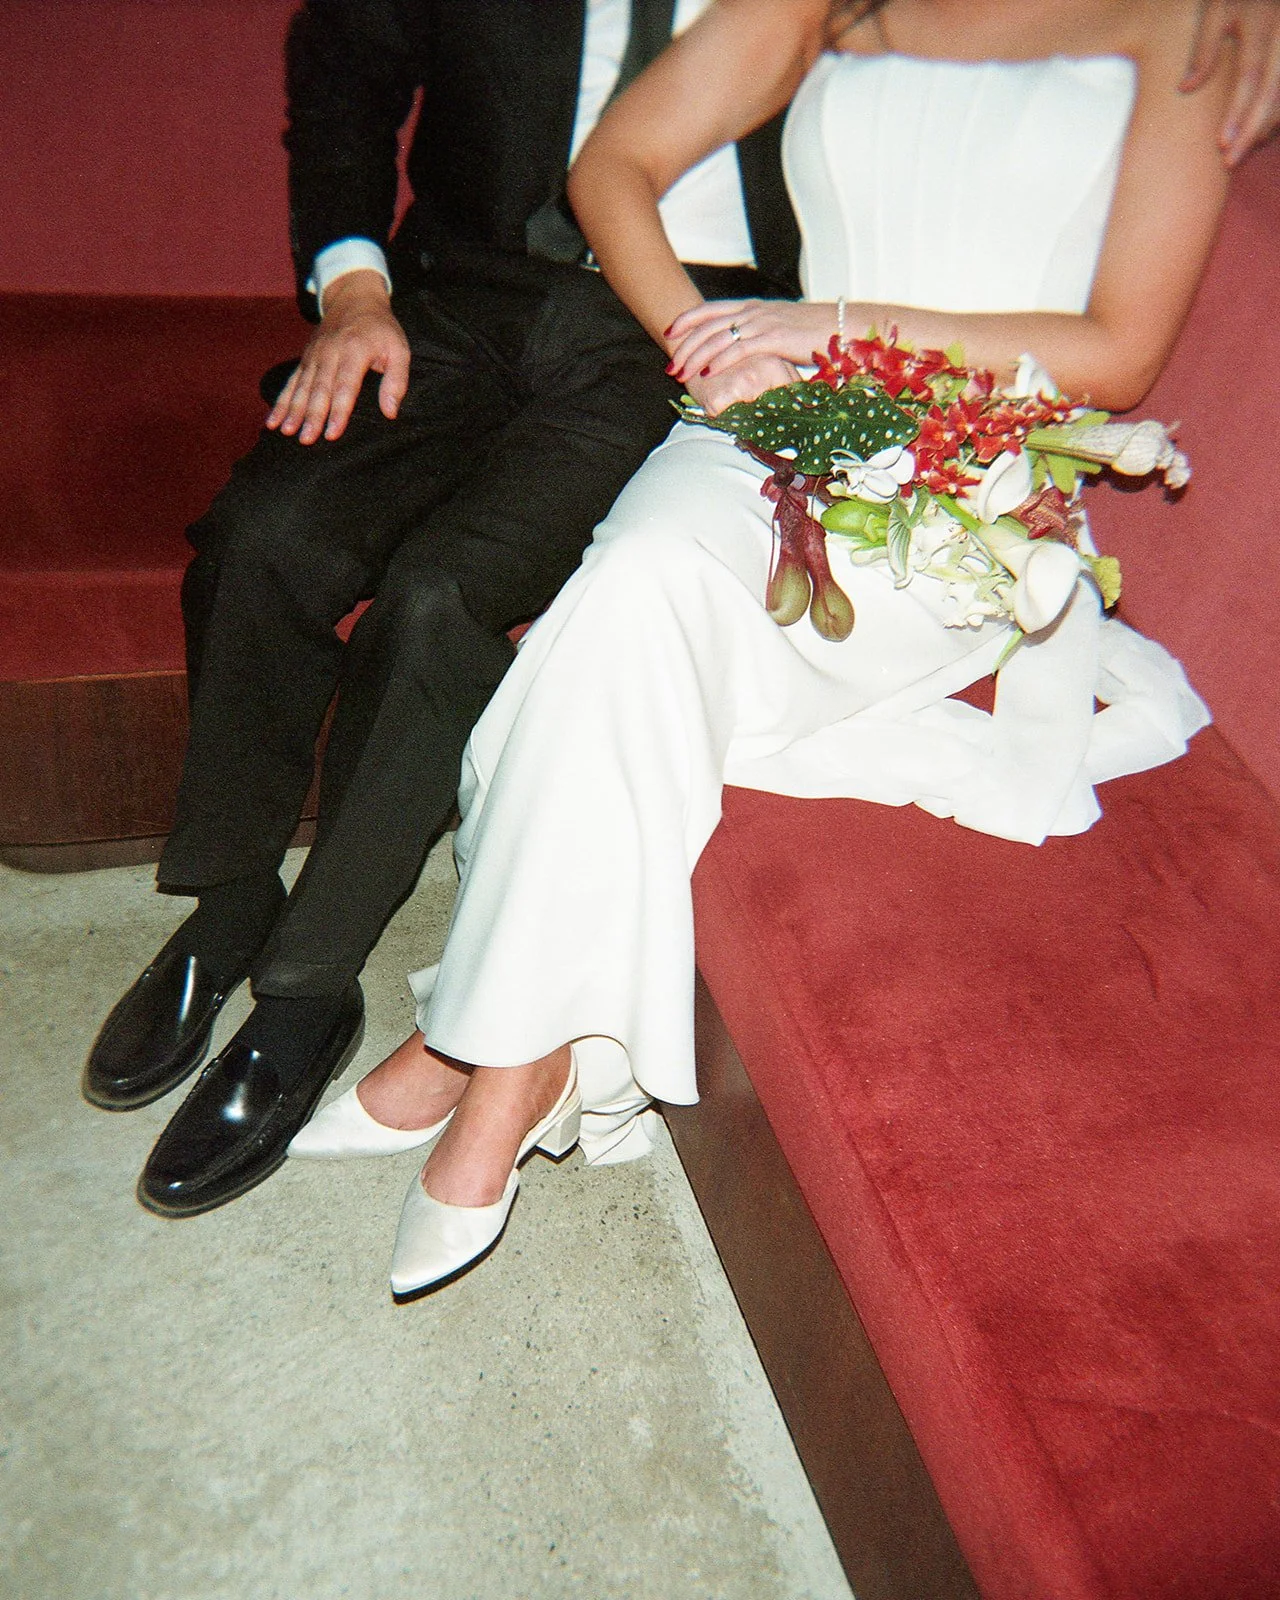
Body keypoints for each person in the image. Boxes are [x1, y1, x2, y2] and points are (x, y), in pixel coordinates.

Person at [284, 0, 1277, 1295]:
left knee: (612, 629)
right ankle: (519, 1053)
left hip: (967, 471)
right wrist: (708, 342)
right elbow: (608, 168)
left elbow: (1121, 351)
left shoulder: (1193, 24)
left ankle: (481, 1052)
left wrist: (842, 327)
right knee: (631, 584)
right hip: (780, 422)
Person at [82, 0, 807, 1218]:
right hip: (453, 288)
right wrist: (351, 292)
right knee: (267, 536)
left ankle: (309, 984)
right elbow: (342, 74)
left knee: (441, 595)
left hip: (681, 317)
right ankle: (231, 899)